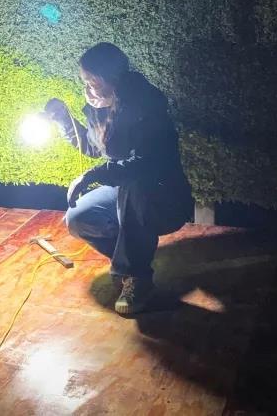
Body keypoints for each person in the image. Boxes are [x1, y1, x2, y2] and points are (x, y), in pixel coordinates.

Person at [43, 42, 193, 315]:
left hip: (163, 198)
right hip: (124, 192)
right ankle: (132, 261)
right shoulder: (101, 107)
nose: (87, 90)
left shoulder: (146, 104)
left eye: (92, 83)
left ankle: (137, 278)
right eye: (85, 83)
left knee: (133, 182)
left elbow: (145, 164)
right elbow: (94, 148)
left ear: (113, 79)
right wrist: (64, 119)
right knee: (79, 218)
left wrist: (93, 174)